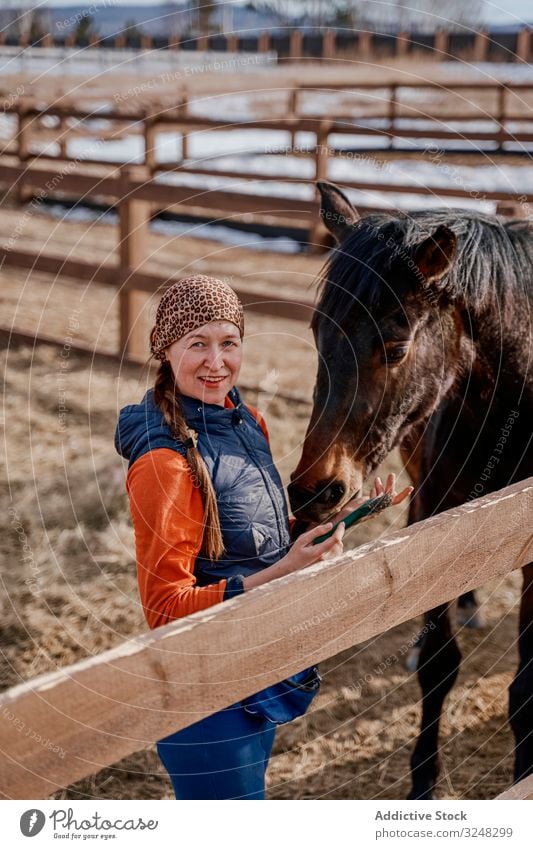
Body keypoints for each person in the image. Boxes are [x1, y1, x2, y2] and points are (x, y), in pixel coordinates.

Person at [115, 274, 411, 800]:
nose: (216, 361)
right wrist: (284, 573)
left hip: (253, 665)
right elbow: (166, 608)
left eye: (229, 343)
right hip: (205, 691)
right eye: (197, 344)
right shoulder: (163, 462)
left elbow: (259, 538)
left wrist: (349, 517)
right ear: (166, 350)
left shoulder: (247, 420)